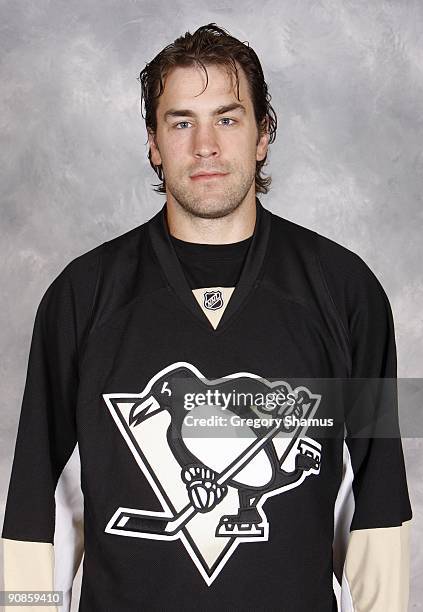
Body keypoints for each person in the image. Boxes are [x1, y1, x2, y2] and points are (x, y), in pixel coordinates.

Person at [1, 22, 412, 612]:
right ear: (152, 141)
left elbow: (379, 502)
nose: (205, 147)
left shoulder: (349, 294)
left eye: (227, 118)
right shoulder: (81, 296)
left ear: (263, 134)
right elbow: (36, 508)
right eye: (181, 122)